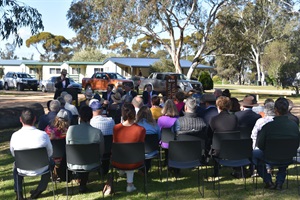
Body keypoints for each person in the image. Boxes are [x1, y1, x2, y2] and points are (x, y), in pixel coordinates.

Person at [253, 97, 300, 190]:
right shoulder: (294, 126)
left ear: (275, 110)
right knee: (283, 160)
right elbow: (296, 143)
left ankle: (268, 181)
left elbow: (260, 145)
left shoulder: (268, 126)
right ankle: (279, 182)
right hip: (288, 156)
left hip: (270, 157)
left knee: (254, 155)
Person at [10, 108, 53, 200]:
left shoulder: (15, 136)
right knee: (51, 163)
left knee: (15, 166)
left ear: (20, 120)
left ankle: (19, 194)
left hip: (22, 168)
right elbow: (50, 152)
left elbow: (14, 154)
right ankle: (39, 191)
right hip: (42, 167)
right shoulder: (43, 135)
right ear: (35, 119)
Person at [66, 106, 104, 193]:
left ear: (80, 116)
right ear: (91, 116)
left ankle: (81, 182)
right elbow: (101, 151)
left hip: (74, 162)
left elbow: (68, 146)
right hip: (91, 162)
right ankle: (82, 183)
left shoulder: (71, 129)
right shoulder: (97, 132)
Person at [112, 103, 146, 192]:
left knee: (128, 154)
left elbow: (115, 143)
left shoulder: (116, 128)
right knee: (131, 154)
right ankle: (129, 185)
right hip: (134, 161)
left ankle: (123, 173)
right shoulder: (141, 129)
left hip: (118, 161)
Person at [208, 96, 238, 177]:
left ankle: (216, 170)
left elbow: (209, 134)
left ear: (218, 106)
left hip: (218, 149)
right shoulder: (234, 118)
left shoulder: (214, 119)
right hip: (232, 147)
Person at [136, 106, 160, 173]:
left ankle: (142, 169)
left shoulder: (136, 126)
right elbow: (159, 137)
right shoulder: (155, 126)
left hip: (139, 151)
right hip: (152, 151)